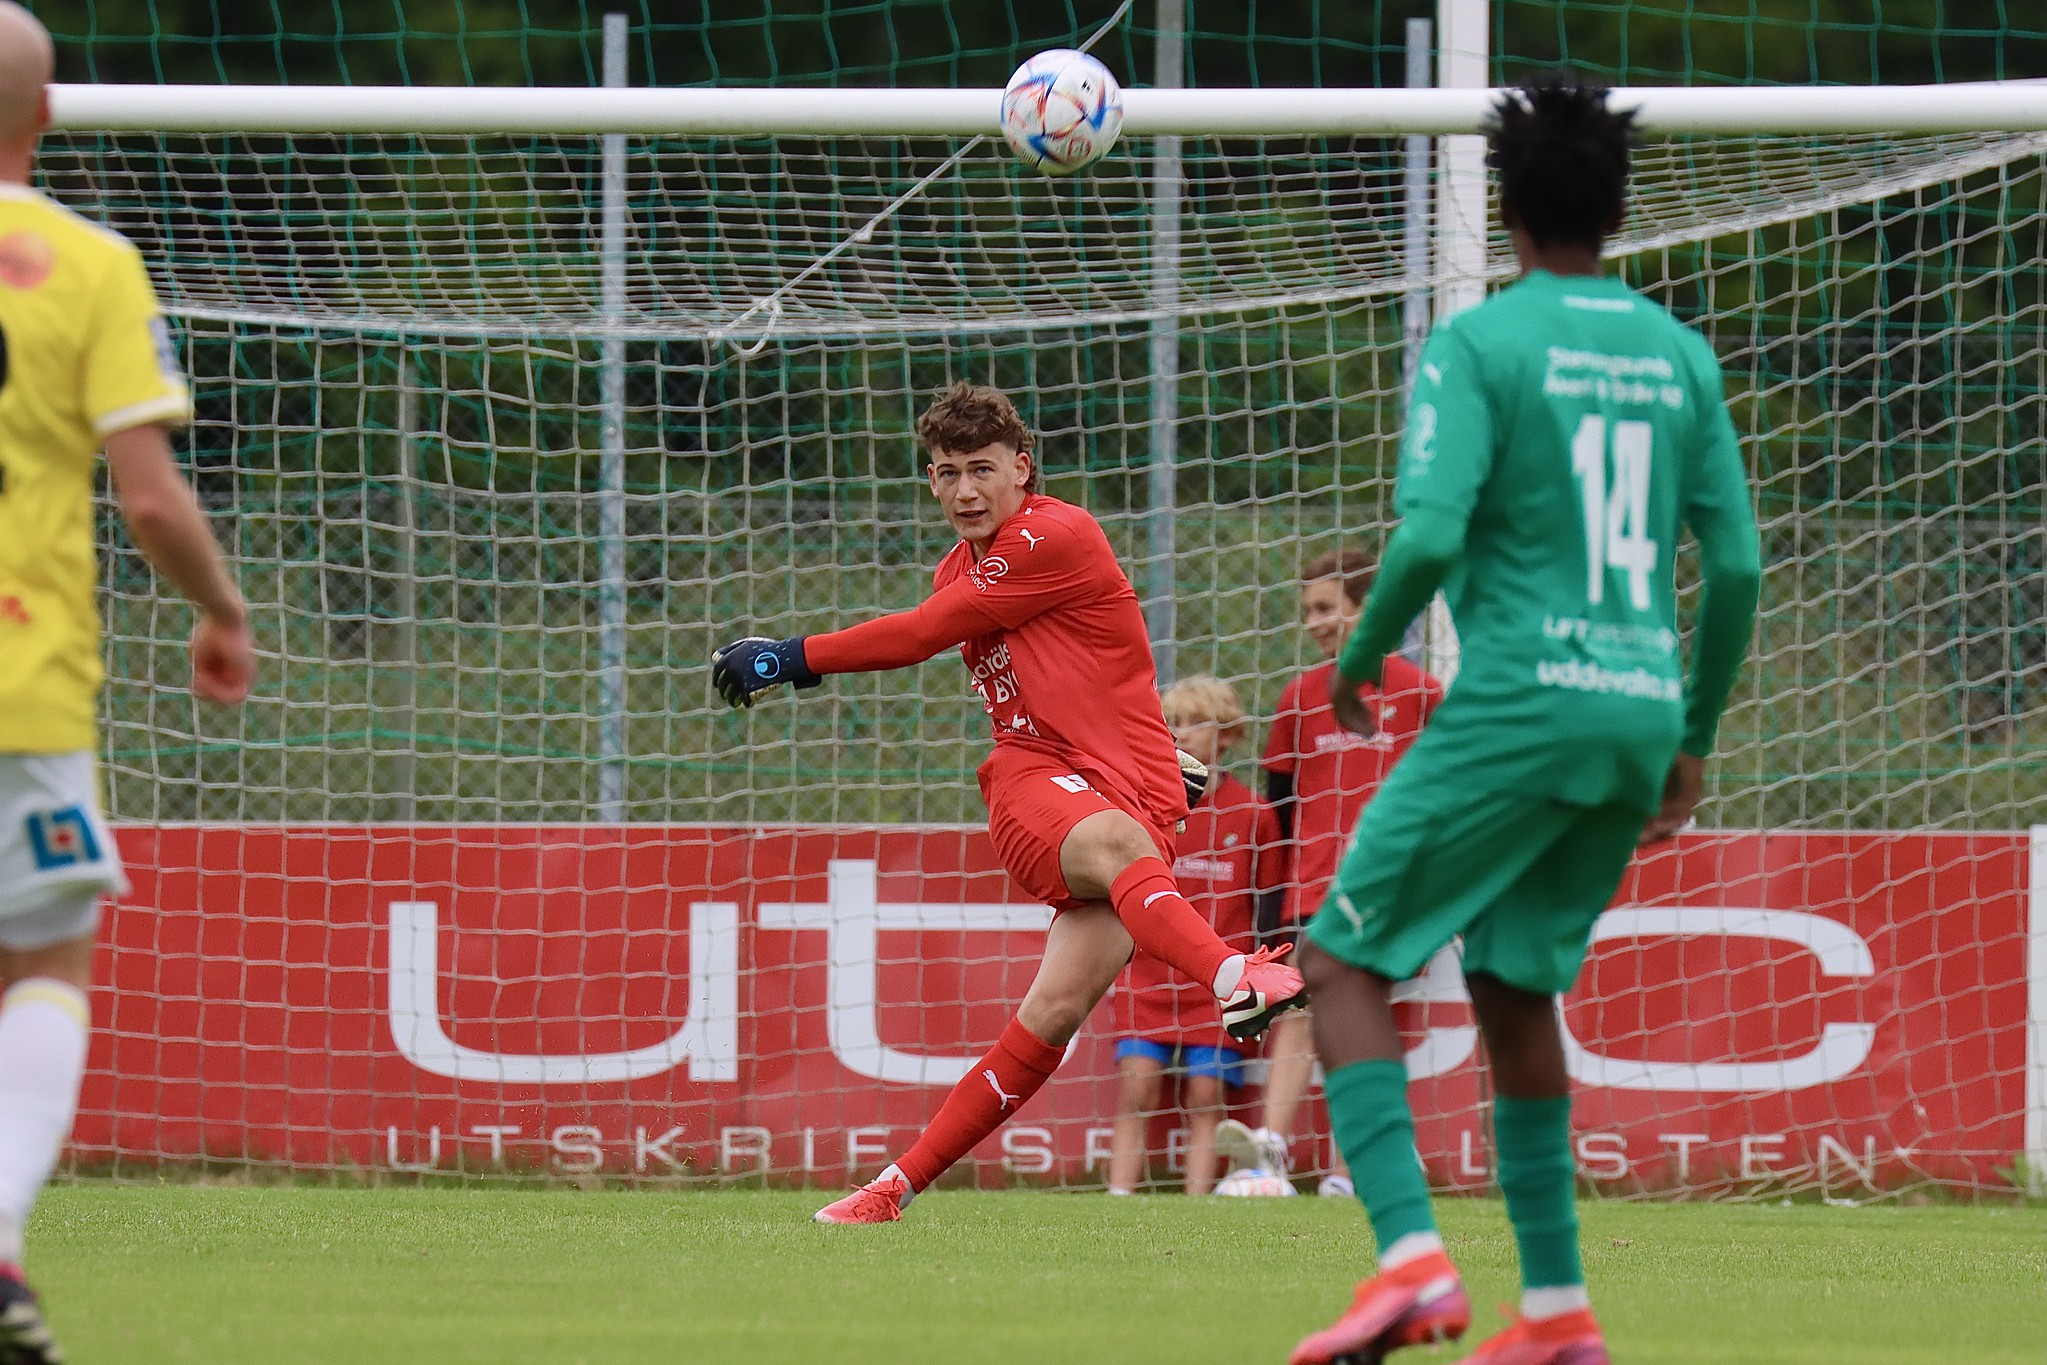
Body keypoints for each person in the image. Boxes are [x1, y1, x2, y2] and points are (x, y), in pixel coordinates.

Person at [1288, 75, 1761, 1365]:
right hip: (1632, 711)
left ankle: (1408, 1263)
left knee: (1339, 963)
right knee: (1508, 986)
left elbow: (1433, 530)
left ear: (1506, 212)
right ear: (1618, 208)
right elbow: (1734, 571)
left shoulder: (1479, 345)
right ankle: (1554, 1312)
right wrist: (1692, 736)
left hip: (1518, 702)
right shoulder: (1678, 356)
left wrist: (1366, 650)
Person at [711, 382, 1306, 1224]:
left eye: (981, 469)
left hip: (1122, 796)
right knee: (1115, 844)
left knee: (1052, 1013)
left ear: (1022, 468)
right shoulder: (965, 567)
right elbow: (971, 651)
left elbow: (1051, 655)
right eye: (945, 473)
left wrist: (784, 657)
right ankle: (1232, 973)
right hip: (1035, 785)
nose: (963, 491)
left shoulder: (1053, 533)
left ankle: (893, 1188)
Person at [0, 6, 258, 1360]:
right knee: (39, 960)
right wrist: (222, 610)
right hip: (18, 682)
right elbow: (149, 499)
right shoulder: (86, 266)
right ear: (45, 117)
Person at [1214, 550, 1440, 1196]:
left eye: (1323, 607)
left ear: (1364, 608)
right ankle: (1268, 1158)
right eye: (1306, 609)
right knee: (1296, 1007)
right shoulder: (1300, 695)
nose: (1312, 621)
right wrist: (1276, 901)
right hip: (1311, 889)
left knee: (1360, 1018)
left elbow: (1442, 797)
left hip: (1391, 891)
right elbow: (1282, 806)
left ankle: (1350, 1171)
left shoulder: (1421, 693)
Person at [1105, 677, 1281, 1197]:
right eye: (1171, 724)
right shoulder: (1144, 808)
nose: (1179, 734)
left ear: (1226, 736)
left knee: (1207, 1094)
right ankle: (1117, 1201)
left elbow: (1267, 900)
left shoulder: (1254, 814)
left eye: (1193, 723)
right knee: (1137, 1087)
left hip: (1216, 983)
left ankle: (1196, 1205)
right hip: (1149, 977)